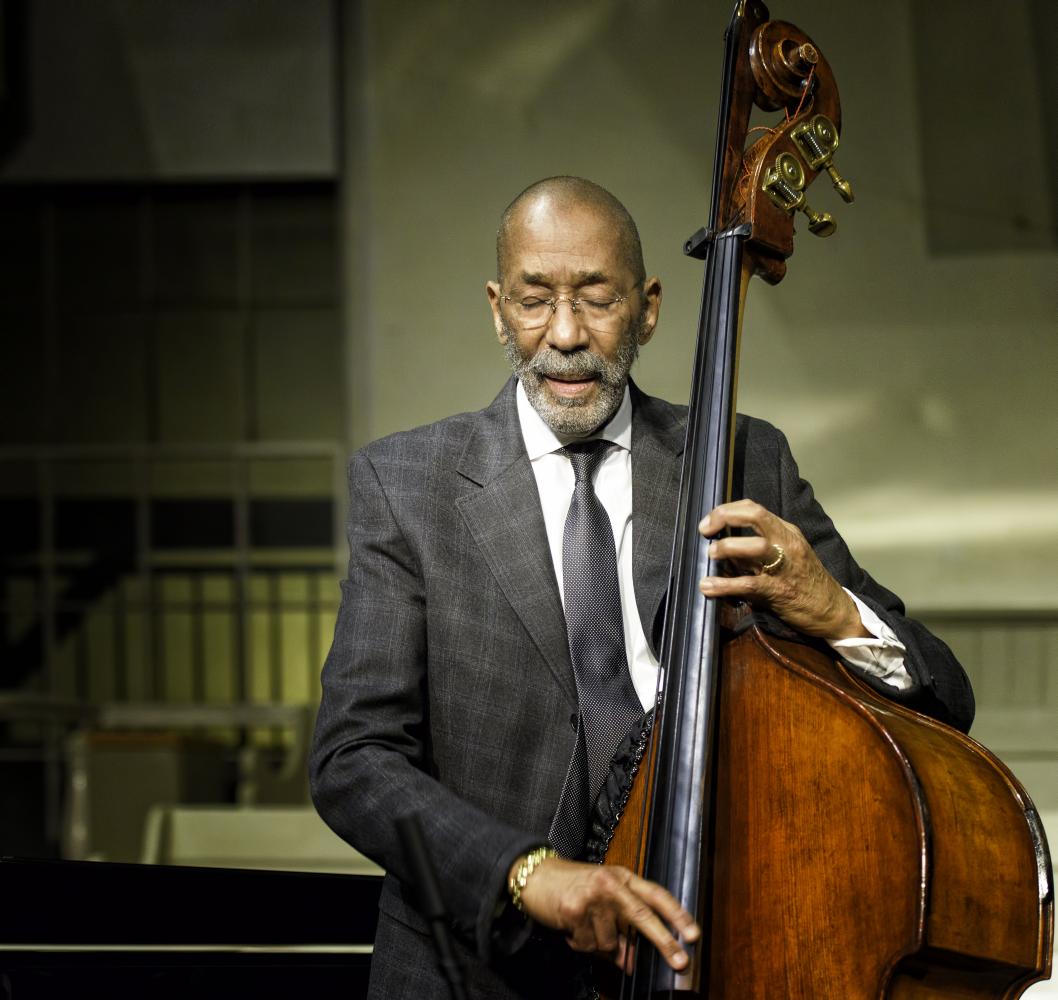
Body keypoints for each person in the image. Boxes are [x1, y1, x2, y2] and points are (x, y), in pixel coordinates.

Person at [309, 176, 974, 999]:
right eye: (533, 301)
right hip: (473, 971)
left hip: (712, 949)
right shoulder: (405, 483)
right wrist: (529, 874)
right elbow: (353, 758)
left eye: (597, 298)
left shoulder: (743, 457)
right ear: (495, 308)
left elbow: (945, 698)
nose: (565, 335)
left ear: (649, 307)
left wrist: (831, 608)